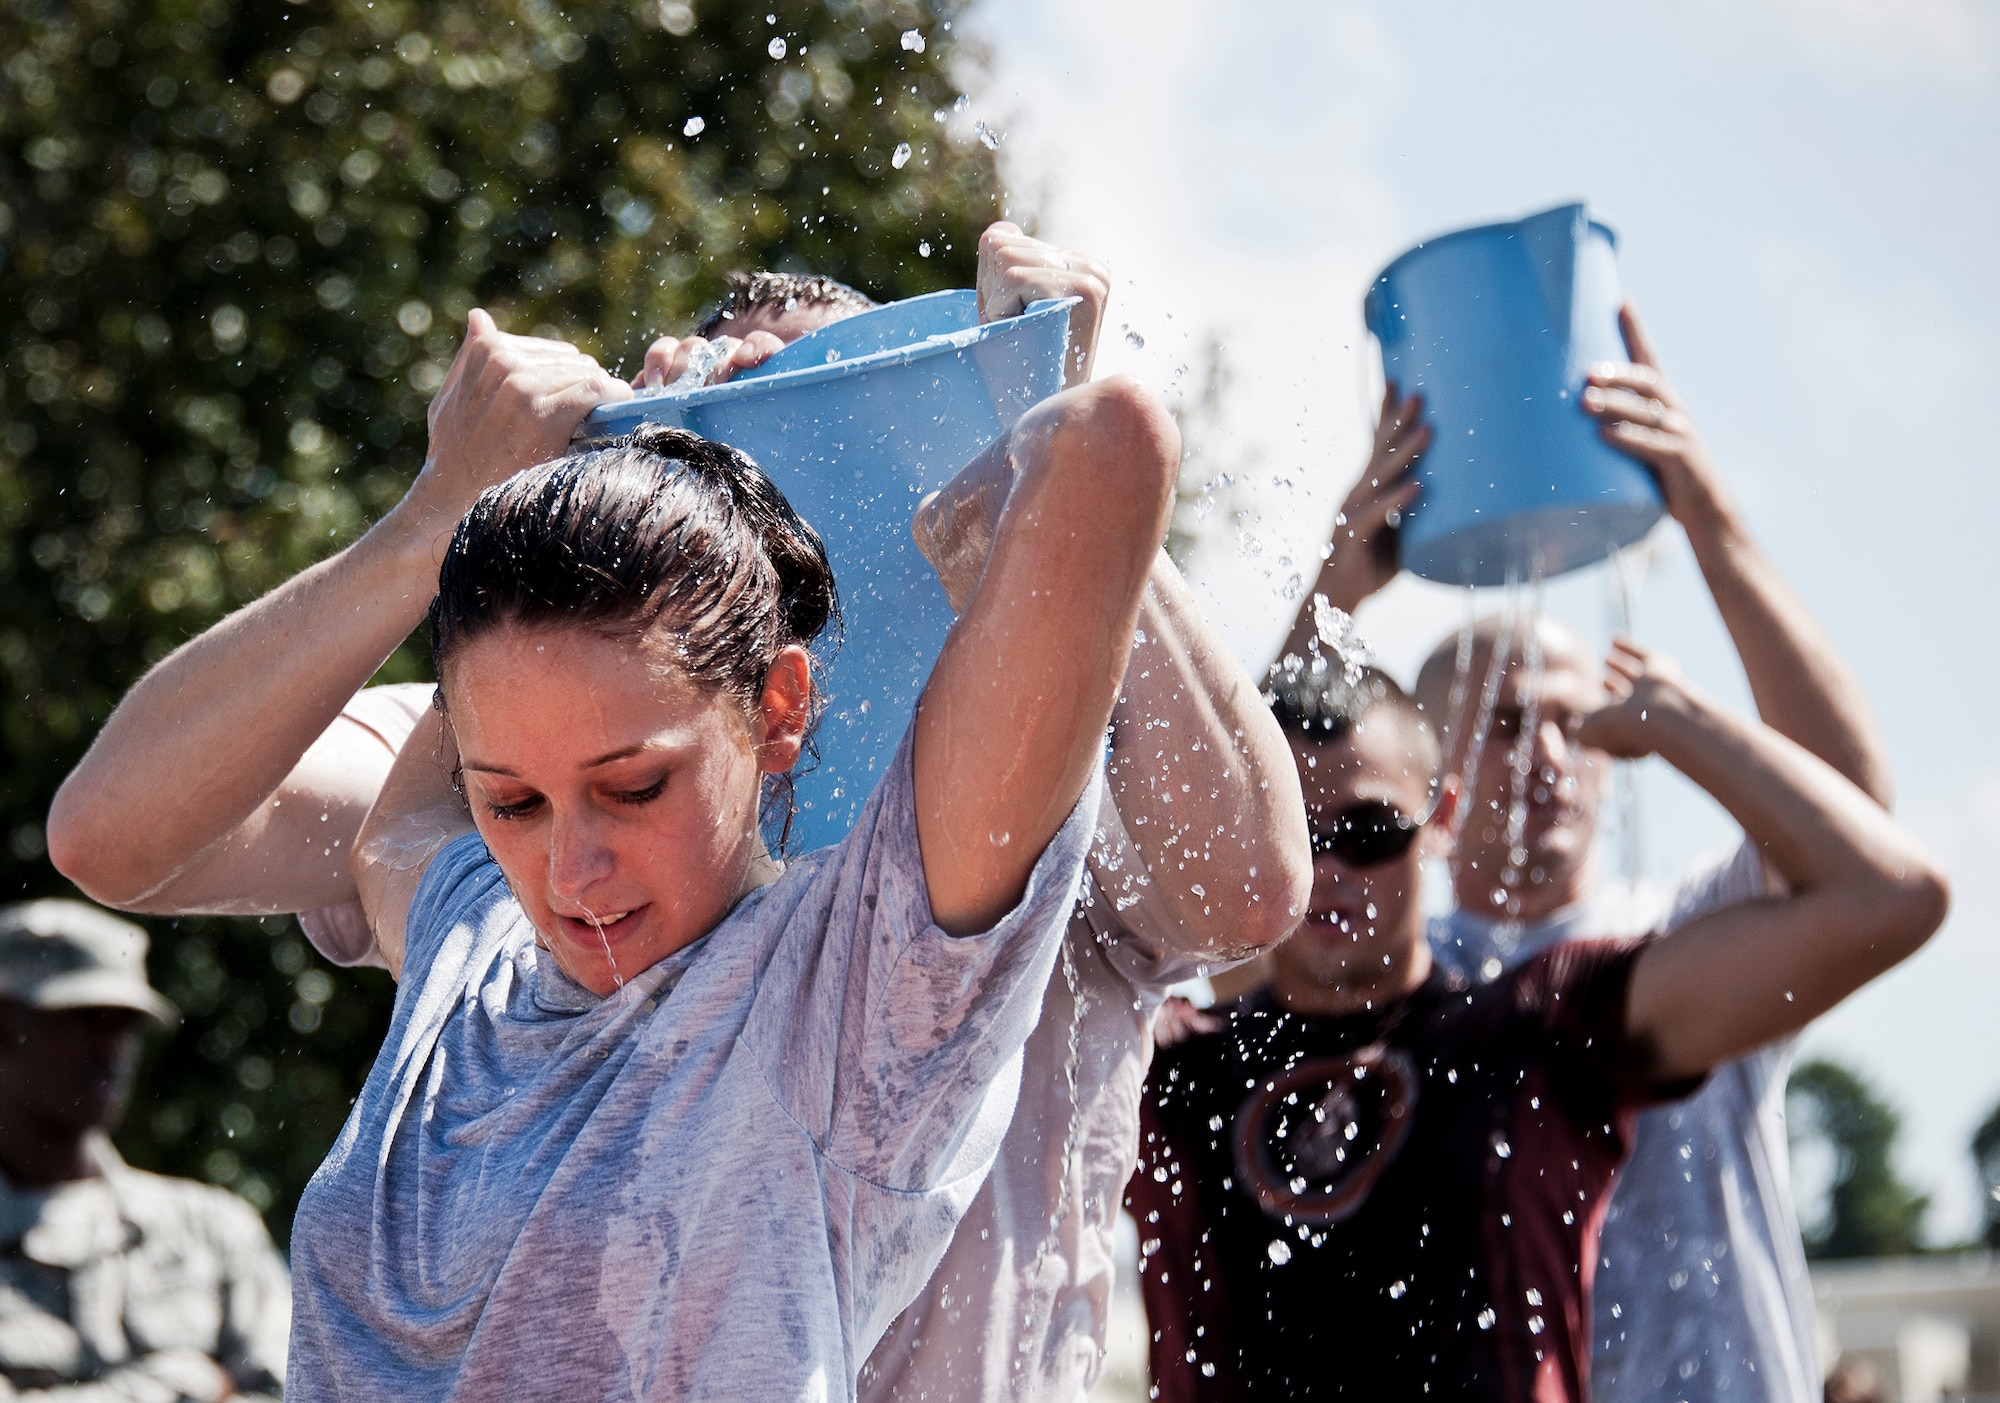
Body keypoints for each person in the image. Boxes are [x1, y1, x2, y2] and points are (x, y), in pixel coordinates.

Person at [56, 222, 1311, 1401]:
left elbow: (1244, 888)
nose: (570, 864)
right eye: (514, 802)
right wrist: (466, 515)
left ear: (778, 705)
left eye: (632, 784)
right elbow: (124, 834)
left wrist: (1028, 412)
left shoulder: (956, 858)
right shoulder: (521, 780)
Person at [1268, 303, 1891, 1401]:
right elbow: (1240, 848)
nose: (1547, 753)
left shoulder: (1681, 932)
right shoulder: (1384, 971)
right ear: (1434, 787)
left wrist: (1706, 517)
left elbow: (1855, 823)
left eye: (1576, 720)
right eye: (1505, 723)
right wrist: (1335, 584)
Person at [1129, 654, 1945, 1400]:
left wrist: (1687, 721)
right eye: (1293, 836)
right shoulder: (1164, 1061)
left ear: (1442, 818)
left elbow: (1890, 896)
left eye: (1368, 830)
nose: (1327, 869)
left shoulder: (1534, 1026)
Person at [0, 899, 290, 1401]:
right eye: (85, 1017)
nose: (111, 1048)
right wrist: (189, 1383)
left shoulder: (212, 1229)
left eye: (125, 1023)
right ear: (5, 1025)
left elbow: (298, 1389)